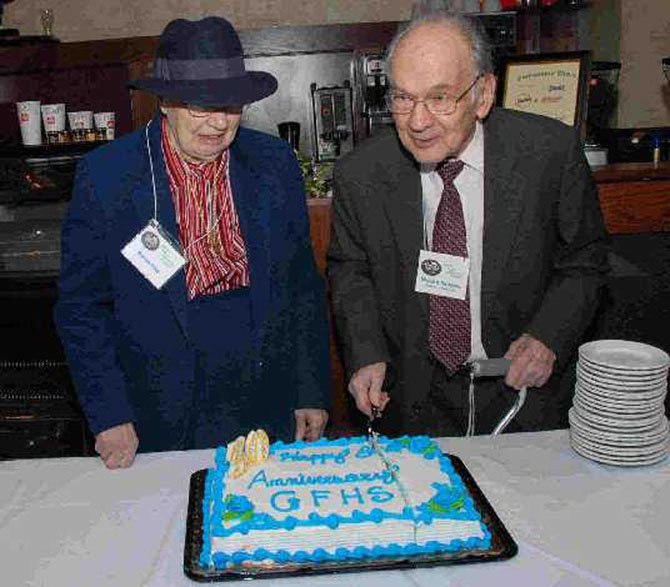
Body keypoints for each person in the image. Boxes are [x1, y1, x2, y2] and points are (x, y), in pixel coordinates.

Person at [55, 16, 330, 469]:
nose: (218, 123)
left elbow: (302, 287)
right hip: (158, 404)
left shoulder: (275, 164)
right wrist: (109, 413)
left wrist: (310, 390)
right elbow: (81, 308)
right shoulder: (107, 177)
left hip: (264, 390)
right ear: (165, 101)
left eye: (231, 106)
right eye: (201, 106)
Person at [327, 13, 609, 437]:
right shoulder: (360, 173)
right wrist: (366, 353)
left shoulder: (549, 154)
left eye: (440, 98)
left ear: (483, 94)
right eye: (403, 98)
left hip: (522, 396)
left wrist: (548, 335)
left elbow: (585, 263)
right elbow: (351, 271)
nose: (418, 121)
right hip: (414, 400)